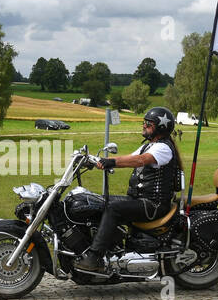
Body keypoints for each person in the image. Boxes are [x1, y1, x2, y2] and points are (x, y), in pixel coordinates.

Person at [75, 106, 181, 271]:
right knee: (97, 202)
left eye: (148, 123)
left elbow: (139, 160)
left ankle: (95, 257)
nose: (144, 125)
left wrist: (111, 162)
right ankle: (105, 247)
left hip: (153, 205)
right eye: (144, 122)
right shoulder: (150, 145)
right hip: (139, 200)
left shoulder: (163, 148)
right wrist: (95, 160)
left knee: (113, 208)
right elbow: (129, 157)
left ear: (160, 127)